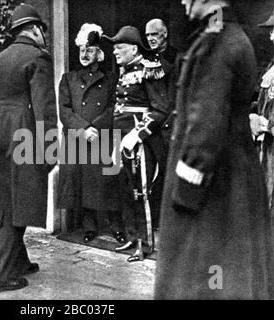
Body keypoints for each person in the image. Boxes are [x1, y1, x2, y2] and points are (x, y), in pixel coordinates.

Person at [155, 0, 274, 299]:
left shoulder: (215, 42)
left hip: (213, 190)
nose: (183, 1)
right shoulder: (231, 35)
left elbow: (205, 126)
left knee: (204, 281)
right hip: (233, 181)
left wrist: (184, 195)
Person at [0, 3, 58, 293]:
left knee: (4, 194)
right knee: (19, 200)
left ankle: (19, 262)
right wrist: (50, 150)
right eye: (43, 30)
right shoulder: (38, 58)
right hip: (21, 130)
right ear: (34, 30)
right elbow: (45, 109)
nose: (44, 35)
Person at [104, 26, 170, 262]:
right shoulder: (125, 70)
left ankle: (146, 244)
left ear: (133, 48)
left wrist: (137, 134)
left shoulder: (149, 70)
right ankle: (133, 237)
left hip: (140, 142)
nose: (115, 53)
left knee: (141, 192)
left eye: (119, 48)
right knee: (125, 189)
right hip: (121, 139)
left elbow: (161, 109)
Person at [58, 23, 126, 245]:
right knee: (84, 184)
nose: (84, 55)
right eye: (81, 50)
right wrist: (83, 129)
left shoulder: (110, 79)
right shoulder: (68, 79)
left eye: (89, 50)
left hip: (103, 138)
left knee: (108, 183)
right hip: (79, 139)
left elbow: (115, 107)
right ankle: (89, 226)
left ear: (99, 53)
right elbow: (64, 110)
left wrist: (97, 127)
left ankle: (116, 226)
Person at [249, 9, 274, 216]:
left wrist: (268, 125)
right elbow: (262, 101)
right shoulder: (271, 67)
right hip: (268, 147)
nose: (271, 36)